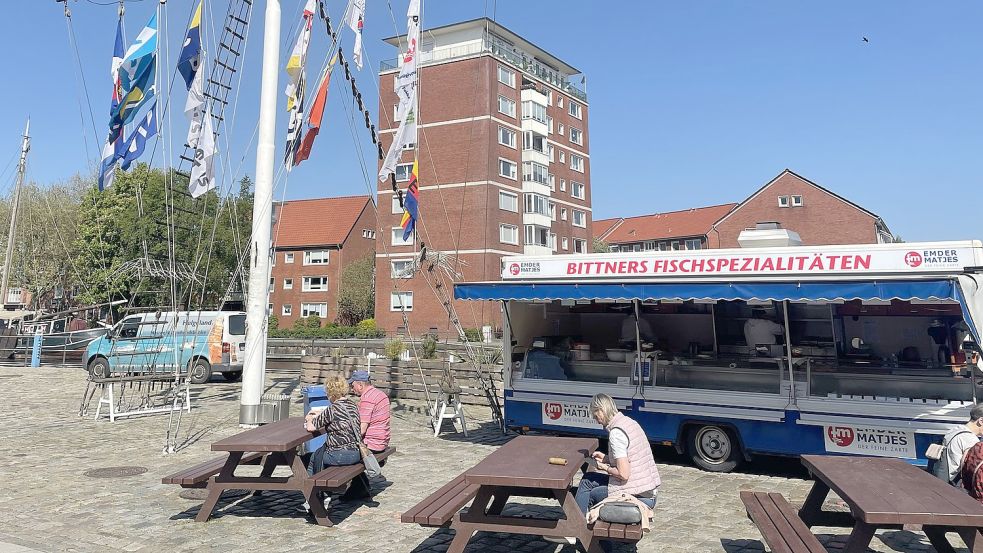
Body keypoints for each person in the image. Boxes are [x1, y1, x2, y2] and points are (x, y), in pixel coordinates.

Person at [547, 393, 660, 545]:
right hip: (646, 487)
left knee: (593, 495)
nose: (596, 420)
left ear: (601, 410)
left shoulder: (616, 434)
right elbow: (629, 457)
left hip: (638, 493)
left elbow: (623, 474)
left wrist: (604, 466)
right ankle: (578, 530)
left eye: (595, 415)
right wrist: (607, 458)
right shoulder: (629, 423)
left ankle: (578, 533)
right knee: (588, 480)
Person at [301, 375, 362, 512]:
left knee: (313, 458)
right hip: (356, 453)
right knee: (321, 454)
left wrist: (310, 416)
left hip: (340, 455)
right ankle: (325, 495)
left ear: (330, 392)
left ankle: (313, 499)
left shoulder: (332, 409)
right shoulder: (352, 405)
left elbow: (311, 426)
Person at [344, 370, 391, 499]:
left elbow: (361, 429)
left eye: (352, 386)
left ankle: (355, 487)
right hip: (382, 440)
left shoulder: (367, 399)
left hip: (372, 444)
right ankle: (359, 486)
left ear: (360, 385)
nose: (352, 389)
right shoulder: (380, 394)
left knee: (339, 454)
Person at [935, 404, 983, 486]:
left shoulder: (955, 430)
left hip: (942, 478)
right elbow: (971, 473)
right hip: (954, 486)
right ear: (981, 421)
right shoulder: (971, 441)